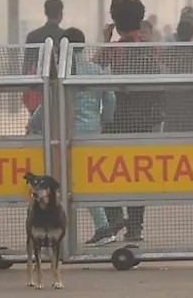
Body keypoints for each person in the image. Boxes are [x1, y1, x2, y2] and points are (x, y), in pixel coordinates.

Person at [95, 0, 162, 243]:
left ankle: (114, 215)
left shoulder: (115, 50)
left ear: (114, 19)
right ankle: (135, 227)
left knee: (107, 169)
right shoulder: (152, 46)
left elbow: (92, 70)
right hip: (146, 119)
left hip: (118, 119)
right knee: (139, 173)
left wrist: (104, 40)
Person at [67, 27, 119, 246]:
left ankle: (103, 228)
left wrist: (33, 124)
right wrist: (105, 120)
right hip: (93, 131)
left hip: (69, 134)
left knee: (77, 182)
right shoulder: (95, 70)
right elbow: (110, 97)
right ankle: (105, 225)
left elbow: (46, 106)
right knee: (89, 179)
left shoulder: (63, 72)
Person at [24, 0, 65, 74]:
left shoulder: (32, 36)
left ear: (45, 13)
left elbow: (27, 66)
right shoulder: (66, 36)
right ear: (60, 14)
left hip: (38, 81)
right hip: (60, 81)